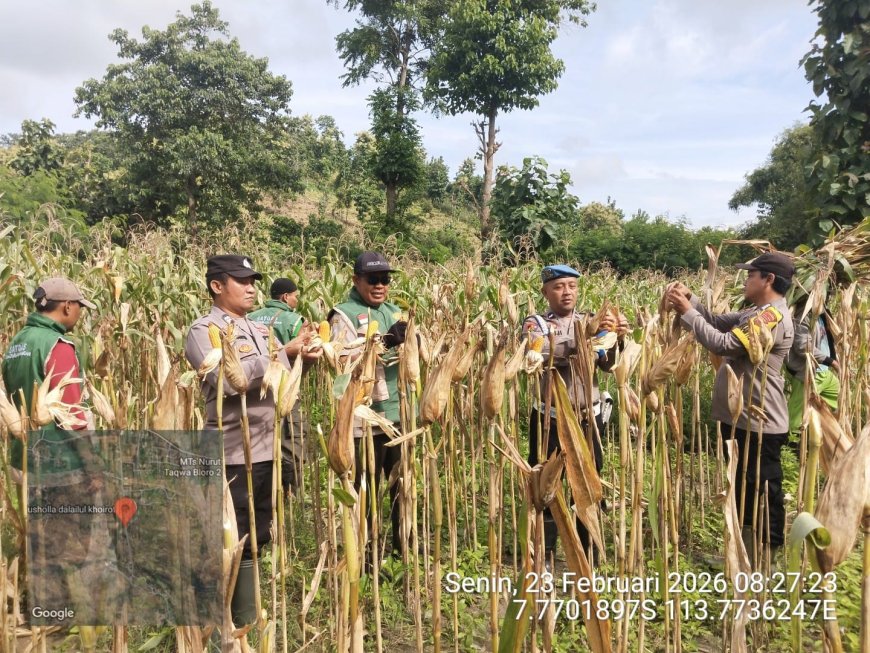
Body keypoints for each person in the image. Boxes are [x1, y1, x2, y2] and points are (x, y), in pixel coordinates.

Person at [184, 255, 317, 624]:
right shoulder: (204, 330)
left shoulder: (261, 330)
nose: (251, 287)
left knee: (260, 528)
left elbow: (282, 376)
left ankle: (248, 607)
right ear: (216, 286)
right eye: (241, 280)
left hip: (266, 446)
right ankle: (230, 616)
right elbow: (225, 381)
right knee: (233, 531)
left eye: (253, 280)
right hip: (231, 450)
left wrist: (303, 356)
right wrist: (279, 357)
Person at [667, 251, 795, 557]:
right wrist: (691, 301)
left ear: (769, 279)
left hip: (759, 423)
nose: (745, 280)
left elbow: (723, 344)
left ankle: (766, 559)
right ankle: (739, 555)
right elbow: (716, 323)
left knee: (762, 492)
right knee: (740, 489)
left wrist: (687, 312)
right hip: (741, 419)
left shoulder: (770, 317)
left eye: (750, 275)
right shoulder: (755, 312)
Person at [2, 278, 100, 622]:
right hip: (59, 464)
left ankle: (35, 607)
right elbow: (72, 416)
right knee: (68, 544)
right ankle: (56, 618)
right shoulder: (58, 346)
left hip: (23, 459)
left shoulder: (18, 342)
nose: (79, 316)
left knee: (40, 538)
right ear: (67, 307)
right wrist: (93, 467)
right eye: (79, 309)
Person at [523, 264, 629, 565]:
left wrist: (615, 339)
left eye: (571, 285)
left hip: (587, 417)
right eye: (558, 286)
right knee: (546, 483)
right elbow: (540, 353)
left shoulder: (588, 320)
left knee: (587, 482)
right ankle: (544, 551)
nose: (566, 292)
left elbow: (607, 365)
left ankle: (588, 547)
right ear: (545, 292)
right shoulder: (537, 323)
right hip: (550, 418)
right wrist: (586, 340)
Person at [329, 251, 407, 559]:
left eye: (385, 280)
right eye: (373, 280)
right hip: (364, 418)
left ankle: (403, 547)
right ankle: (367, 552)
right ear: (356, 281)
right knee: (367, 487)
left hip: (397, 414)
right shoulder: (343, 315)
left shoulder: (394, 310)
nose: (380, 286)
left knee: (401, 484)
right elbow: (340, 360)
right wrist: (384, 343)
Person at [248, 277, 311, 493]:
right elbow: (303, 352)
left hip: (256, 387)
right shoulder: (295, 320)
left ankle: (264, 489)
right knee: (292, 439)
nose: (296, 301)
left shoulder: (249, 317)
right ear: (285, 297)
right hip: (286, 387)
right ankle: (290, 492)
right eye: (295, 296)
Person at [785, 303, 839, 441]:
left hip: (824, 372)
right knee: (796, 418)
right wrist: (831, 362)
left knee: (836, 398)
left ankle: (818, 437)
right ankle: (789, 448)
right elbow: (803, 346)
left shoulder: (823, 314)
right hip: (809, 372)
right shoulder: (804, 314)